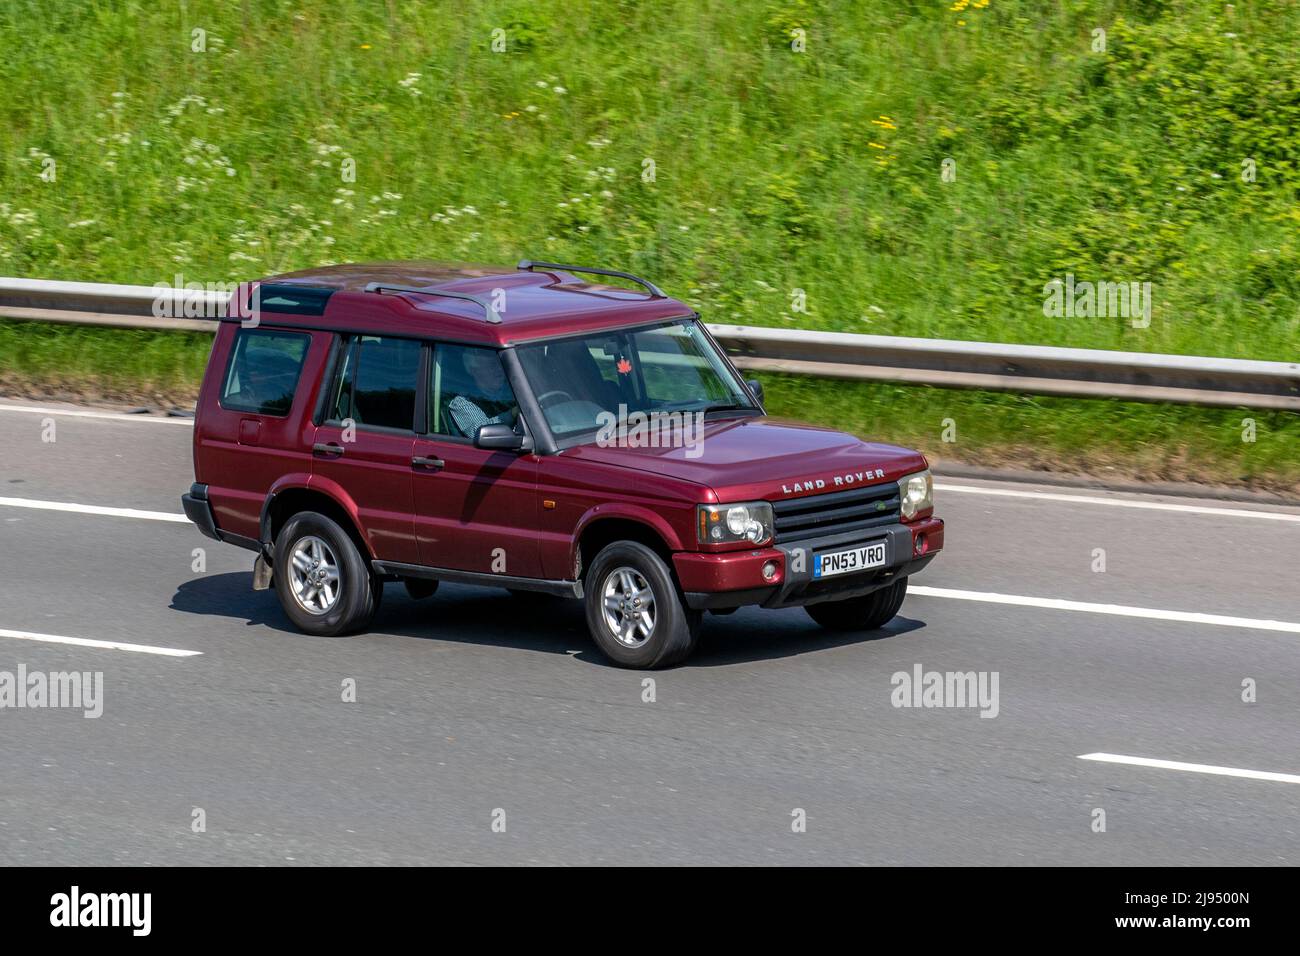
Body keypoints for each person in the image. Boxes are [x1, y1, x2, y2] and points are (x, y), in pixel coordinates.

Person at [447, 347, 517, 438]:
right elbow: (482, 434)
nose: (499, 369)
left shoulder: (510, 392)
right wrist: (513, 413)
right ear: (474, 371)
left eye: (500, 364)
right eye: (492, 365)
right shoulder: (461, 403)